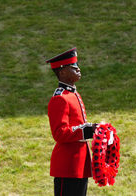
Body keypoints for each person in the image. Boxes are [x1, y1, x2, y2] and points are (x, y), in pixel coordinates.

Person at [46, 47, 97, 196]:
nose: (78, 69)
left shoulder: (73, 94)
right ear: (62, 72)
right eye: (73, 67)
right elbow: (59, 133)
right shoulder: (60, 98)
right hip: (67, 166)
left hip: (79, 165)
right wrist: (88, 130)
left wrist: (94, 129)